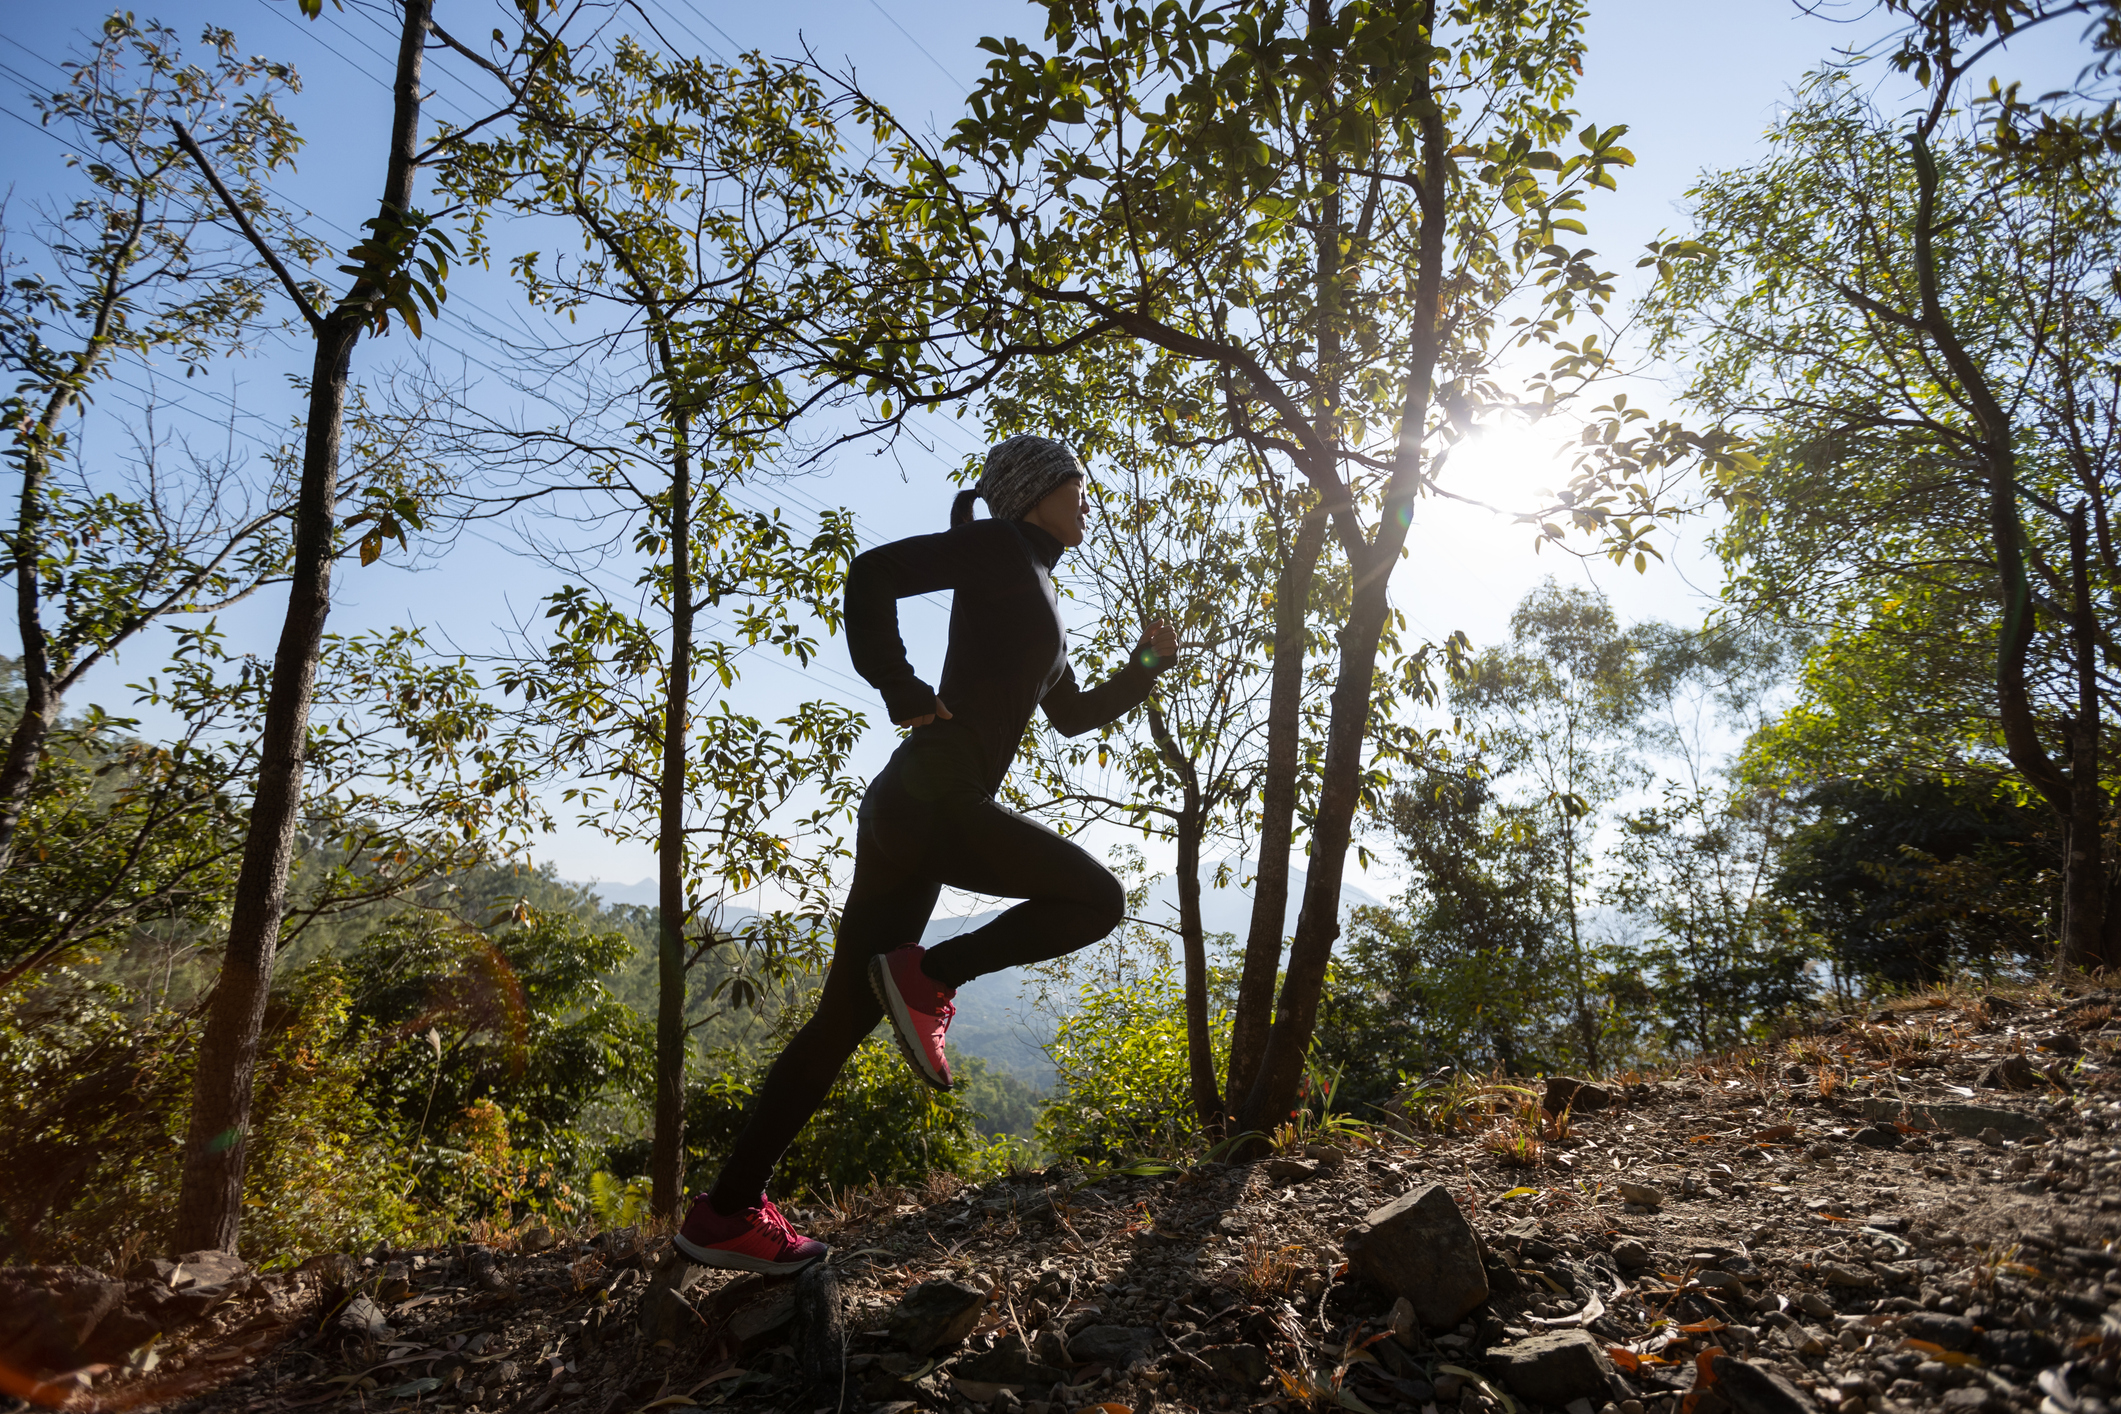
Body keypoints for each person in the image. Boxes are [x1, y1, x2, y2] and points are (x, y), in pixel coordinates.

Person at [671, 434, 1179, 1274]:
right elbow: (872, 572)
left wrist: (1147, 664)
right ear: (1033, 493)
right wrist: (900, 687)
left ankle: (724, 1212)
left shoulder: (1038, 591)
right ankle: (930, 975)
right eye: (1077, 489)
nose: (1089, 504)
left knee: (841, 1019)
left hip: (916, 810)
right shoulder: (995, 547)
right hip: (935, 794)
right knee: (1097, 900)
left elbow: (1073, 714)